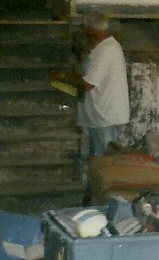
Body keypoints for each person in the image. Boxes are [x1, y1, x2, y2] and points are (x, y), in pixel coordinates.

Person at [50, 12, 130, 159]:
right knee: (101, 160)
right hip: (103, 115)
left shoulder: (105, 50)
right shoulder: (106, 46)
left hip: (105, 117)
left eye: (84, 27)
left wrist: (62, 77)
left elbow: (88, 84)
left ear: (91, 29)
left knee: (102, 162)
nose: (83, 31)